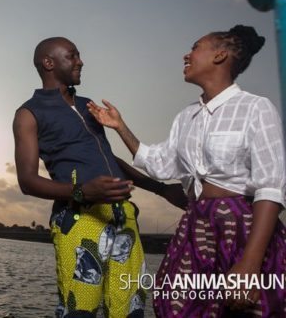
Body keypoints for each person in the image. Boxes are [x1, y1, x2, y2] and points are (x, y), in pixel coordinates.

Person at [87, 25, 286, 317]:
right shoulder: (186, 116)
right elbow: (158, 162)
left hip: (243, 228)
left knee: (248, 309)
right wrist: (120, 127)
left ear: (220, 55)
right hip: (197, 225)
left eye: (195, 47)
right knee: (175, 306)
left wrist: (250, 264)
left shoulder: (256, 108)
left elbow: (271, 187)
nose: (186, 55)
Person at [13, 37, 187, 318]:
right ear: (49, 63)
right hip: (80, 220)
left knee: (131, 311)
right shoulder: (29, 113)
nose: (80, 61)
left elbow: (111, 159)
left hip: (124, 219)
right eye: (72, 56)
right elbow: (27, 180)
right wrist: (81, 192)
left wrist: (161, 190)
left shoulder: (88, 106)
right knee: (80, 311)